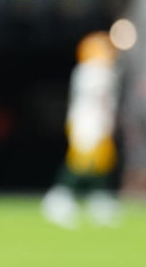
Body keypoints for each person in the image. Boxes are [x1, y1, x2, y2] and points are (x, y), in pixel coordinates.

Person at [43, 32, 122, 227]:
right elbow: (100, 99)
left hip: (93, 122)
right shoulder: (94, 71)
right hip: (89, 123)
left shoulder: (90, 70)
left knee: (101, 162)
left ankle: (99, 197)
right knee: (81, 162)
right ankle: (59, 196)